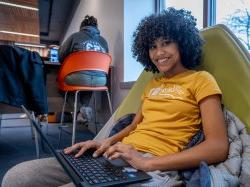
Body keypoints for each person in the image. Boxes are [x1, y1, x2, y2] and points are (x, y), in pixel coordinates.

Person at [2, 8, 229, 187]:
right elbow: (134, 125)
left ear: (182, 42)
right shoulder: (153, 83)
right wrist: (105, 141)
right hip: (117, 153)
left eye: (167, 42)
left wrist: (146, 162)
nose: (159, 53)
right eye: (153, 46)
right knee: (16, 177)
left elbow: (218, 146)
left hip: (154, 164)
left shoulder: (201, 79)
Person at [59, 15, 109, 123]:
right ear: (96, 27)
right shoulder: (103, 41)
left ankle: (80, 110)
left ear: (82, 27)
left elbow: (60, 57)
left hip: (79, 77)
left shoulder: (74, 36)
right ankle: (83, 110)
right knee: (89, 86)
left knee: (61, 86)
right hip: (100, 80)